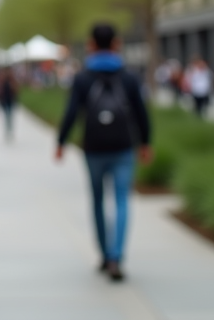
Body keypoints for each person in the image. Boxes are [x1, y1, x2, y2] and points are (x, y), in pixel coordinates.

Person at [55, 23, 152, 283]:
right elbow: (141, 113)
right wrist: (145, 143)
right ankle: (117, 256)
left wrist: (61, 142)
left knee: (97, 200)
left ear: (91, 45)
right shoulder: (129, 77)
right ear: (117, 44)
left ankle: (104, 253)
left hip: (94, 148)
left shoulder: (83, 77)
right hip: (123, 146)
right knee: (122, 200)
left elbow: (72, 112)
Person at [0, 68, 20, 140]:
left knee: (10, 116)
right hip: (5, 101)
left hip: (11, 101)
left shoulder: (12, 81)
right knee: (7, 116)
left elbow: (16, 90)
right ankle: (7, 130)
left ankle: (10, 129)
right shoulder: (2, 81)